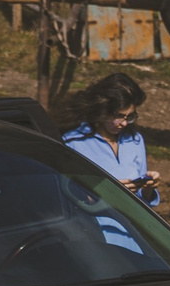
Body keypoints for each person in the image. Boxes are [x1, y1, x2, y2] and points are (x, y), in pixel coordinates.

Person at [60, 73, 160, 209]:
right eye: (119, 116)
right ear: (103, 110)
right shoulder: (73, 142)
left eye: (130, 117)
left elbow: (142, 202)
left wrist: (148, 188)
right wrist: (108, 194)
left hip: (133, 225)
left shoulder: (134, 140)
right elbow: (68, 197)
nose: (124, 123)